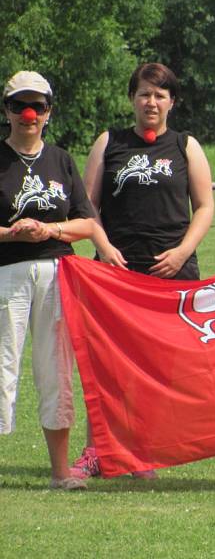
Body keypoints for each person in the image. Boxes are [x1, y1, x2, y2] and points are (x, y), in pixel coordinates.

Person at [70, 63, 214, 479]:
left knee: (158, 369)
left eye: (160, 94)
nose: (152, 101)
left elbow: (204, 207)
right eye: (144, 93)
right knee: (109, 364)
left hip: (173, 274)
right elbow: (88, 205)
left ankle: (141, 452)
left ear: (173, 101)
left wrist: (182, 251)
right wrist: (104, 247)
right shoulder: (109, 142)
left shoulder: (186, 145)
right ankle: (97, 448)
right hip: (116, 273)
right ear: (132, 98)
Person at [0, 71, 95, 490]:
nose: (29, 114)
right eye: (21, 105)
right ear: (7, 111)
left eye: (38, 106)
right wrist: (12, 232)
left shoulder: (61, 159)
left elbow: (87, 224)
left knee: (56, 370)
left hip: (58, 271)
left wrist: (51, 231)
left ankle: (60, 472)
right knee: (2, 367)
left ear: (49, 112)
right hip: (8, 273)